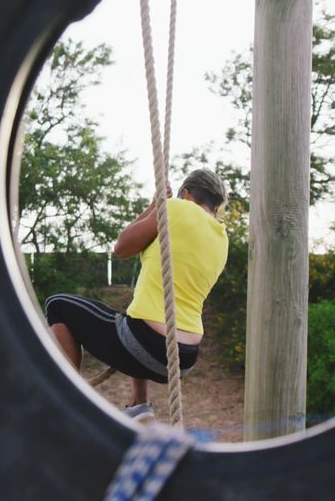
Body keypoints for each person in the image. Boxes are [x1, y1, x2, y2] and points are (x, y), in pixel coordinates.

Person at [44, 169, 229, 420]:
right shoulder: (221, 238)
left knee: (57, 305)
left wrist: (155, 206)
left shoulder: (176, 208)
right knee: (134, 313)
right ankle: (139, 404)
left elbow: (121, 247)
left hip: (147, 343)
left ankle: (68, 398)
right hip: (183, 358)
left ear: (187, 193)